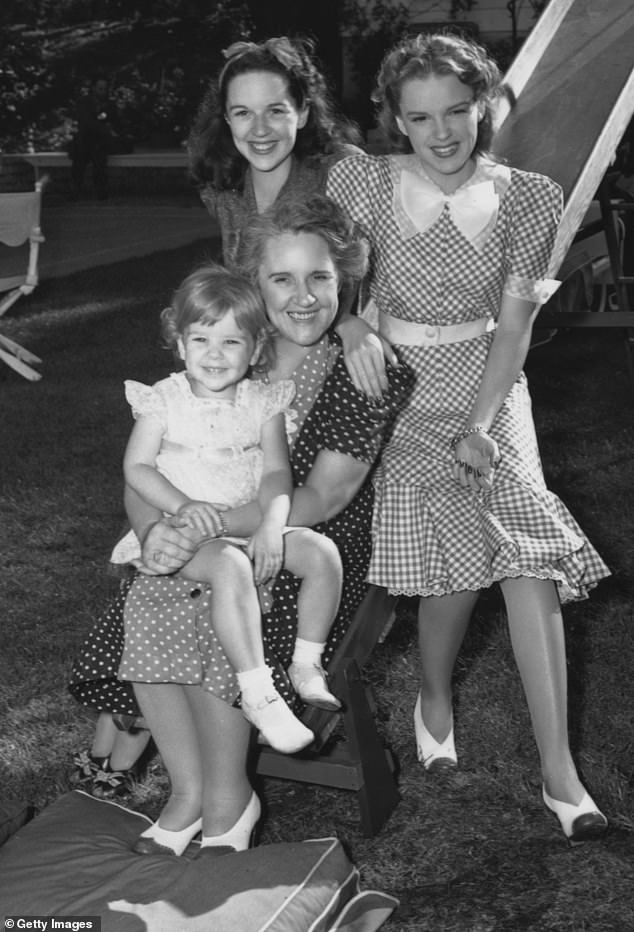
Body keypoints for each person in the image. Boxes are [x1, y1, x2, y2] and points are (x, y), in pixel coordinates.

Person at [326, 32, 610, 845]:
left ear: (485, 103)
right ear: (397, 120)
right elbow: (319, 275)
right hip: (398, 389)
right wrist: (350, 327)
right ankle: (436, 694)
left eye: (457, 111)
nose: (442, 132)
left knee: (524, 553)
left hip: (488, 383)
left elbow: (515, 327)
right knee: (453, 559)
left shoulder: (528, 196)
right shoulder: (365, 181)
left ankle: (559, 770)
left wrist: (483, 425)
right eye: (420, 118)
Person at [69, 194, 411, 855]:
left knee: (203, 600)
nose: (304, 297)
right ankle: (189, 790)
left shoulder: (364, 367)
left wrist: (209, 526)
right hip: (205, 530)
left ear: (346, 279)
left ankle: (227, 797)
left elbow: (324, 497)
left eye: (320, 278)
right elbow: (161, 456)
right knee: (152, 590)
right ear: (256, 287)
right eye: (282, 279)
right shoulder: (235, 347)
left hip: (306, 550)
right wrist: (153, 530)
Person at [112, 262, 344, 756]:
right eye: (201, 340)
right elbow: (136, 467)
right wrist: (183, 505)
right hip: (185, 530)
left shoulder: (265, 403)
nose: (214, 355)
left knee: (321, 553)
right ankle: (258, 689)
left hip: (245, 521)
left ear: (256, 347)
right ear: (180, 343)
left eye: (231, 342)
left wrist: (272, 525)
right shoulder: (164, 401)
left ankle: (307, 663)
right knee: (230, 564)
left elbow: (278, 475)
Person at [68, 75, 120, 200]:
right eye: (100, 88)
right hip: (85, 139)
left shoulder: (110, 105)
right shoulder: (83, 102)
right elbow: (86, 122)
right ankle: (75, 188)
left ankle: (100, 188)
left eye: (104, 88)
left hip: (101, 141)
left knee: (99, 153)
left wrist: (105, 127)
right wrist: (104, 127)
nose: (102, 91)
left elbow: (114, 120)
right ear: (94, 88)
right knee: (81, 153)